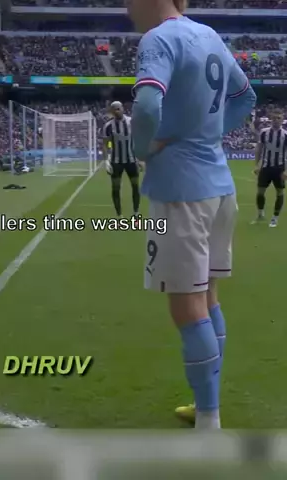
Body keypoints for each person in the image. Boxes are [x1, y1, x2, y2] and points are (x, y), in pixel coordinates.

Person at [128, 0, 257, 429]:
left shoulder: (159, 39)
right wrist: (208, 135)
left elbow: (148, 106)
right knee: (208, 298)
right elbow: (245, 97)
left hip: (180, 190)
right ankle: (207, 408)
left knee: (188, 308)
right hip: (220, 186)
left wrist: (144, 148)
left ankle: (208, 421)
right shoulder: (208, 35)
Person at [103, 101, 143, 218]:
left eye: (118, 108)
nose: (117, 111)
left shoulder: (132, 122)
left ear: (122, 109)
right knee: (116, 188)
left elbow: (139, 140)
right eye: (114, 109)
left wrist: (140, 158)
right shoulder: (108, 126)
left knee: (135, 186)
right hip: (116, 162)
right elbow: (105, 144)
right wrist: (106, 161)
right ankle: (119, 216)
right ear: (111, 111)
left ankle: (136, 213)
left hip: (131, 160)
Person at [252, 109, 287, 228]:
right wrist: (257, 165)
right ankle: (260, 214)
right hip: (266, 167)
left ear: (282, 120)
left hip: (279, 168)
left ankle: (275, 218)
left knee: (280, 192)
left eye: (279, 118)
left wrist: (286, 171)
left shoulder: (285, 135)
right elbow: (259, 149)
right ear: (271, 119)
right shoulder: (264, 132)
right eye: (274, 118)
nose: (276, 120)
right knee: (260, 191)